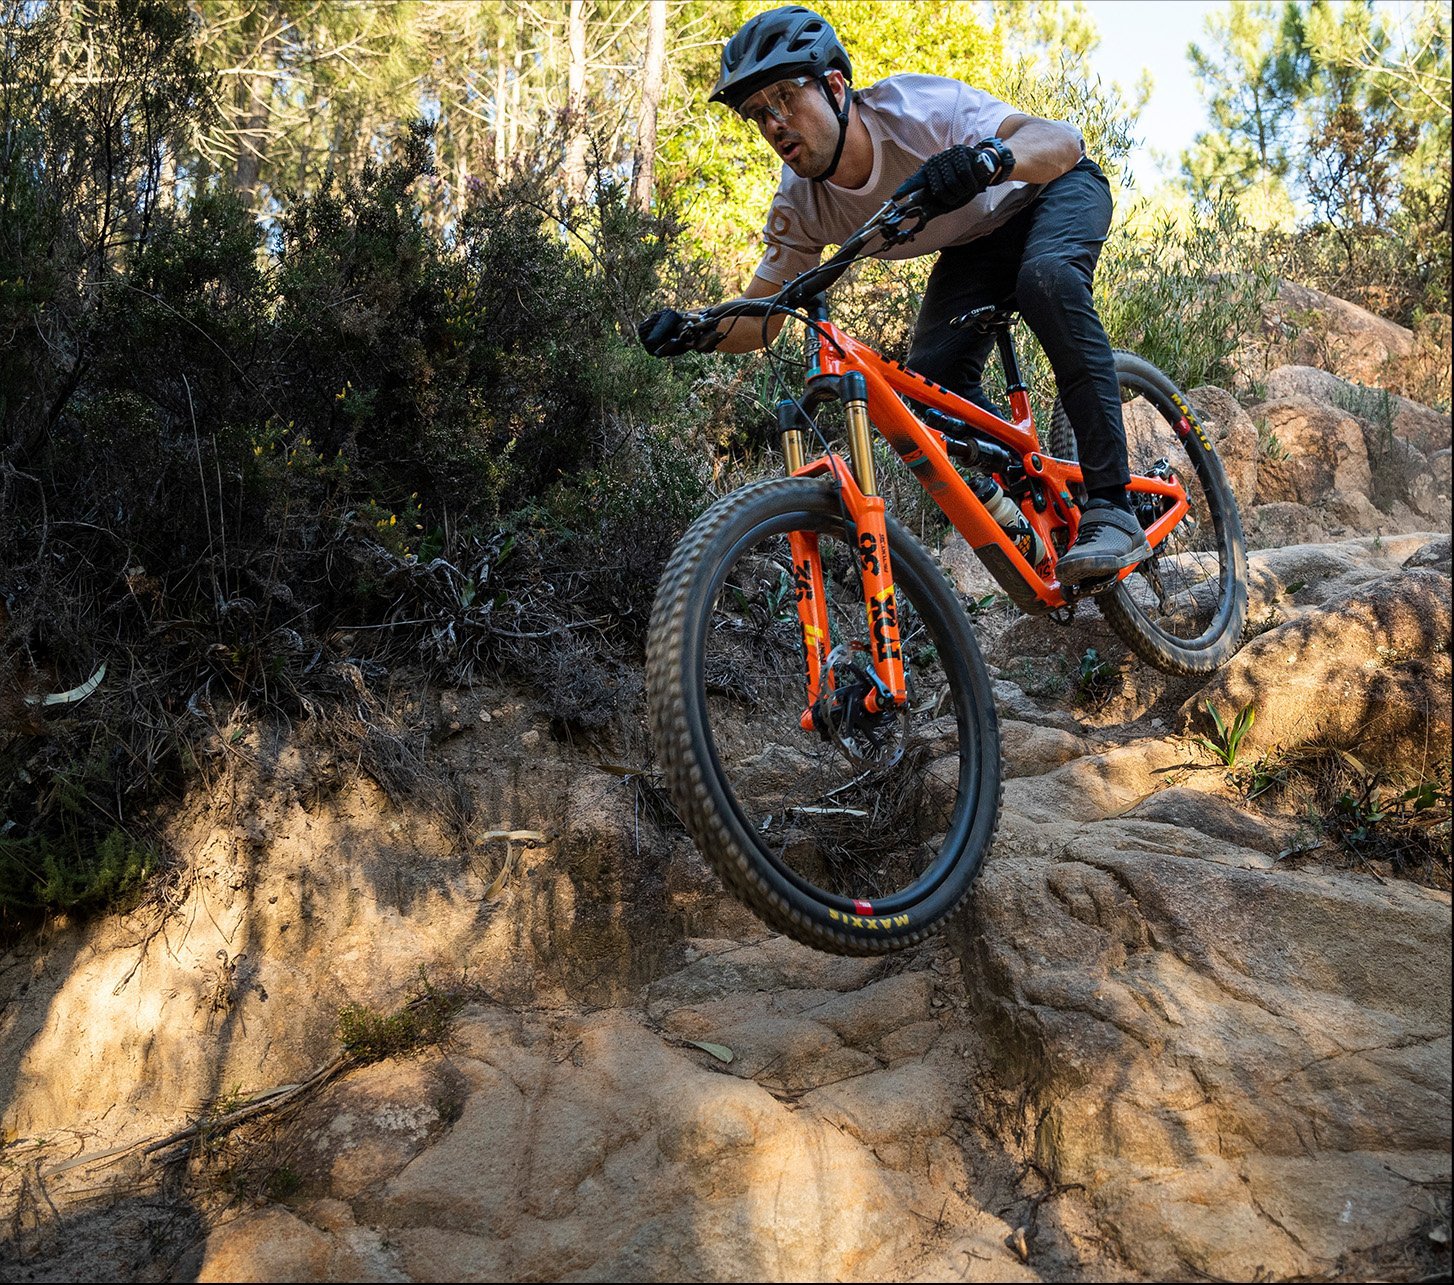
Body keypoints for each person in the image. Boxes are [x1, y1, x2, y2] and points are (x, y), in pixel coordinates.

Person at [638, 5, 1149, 585]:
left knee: (1048, 280)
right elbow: (762, 319)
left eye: (786, 97)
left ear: (835, 87)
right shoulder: (800, 206)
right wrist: (697, 328)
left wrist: (989, 159)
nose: (775, 122)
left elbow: (1059, 141)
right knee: (932, 384)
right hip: (976, 242)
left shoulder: (914, 111)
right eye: (759, 113)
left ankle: (1112, 506)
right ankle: (1028, 511)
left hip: (1053, 189)